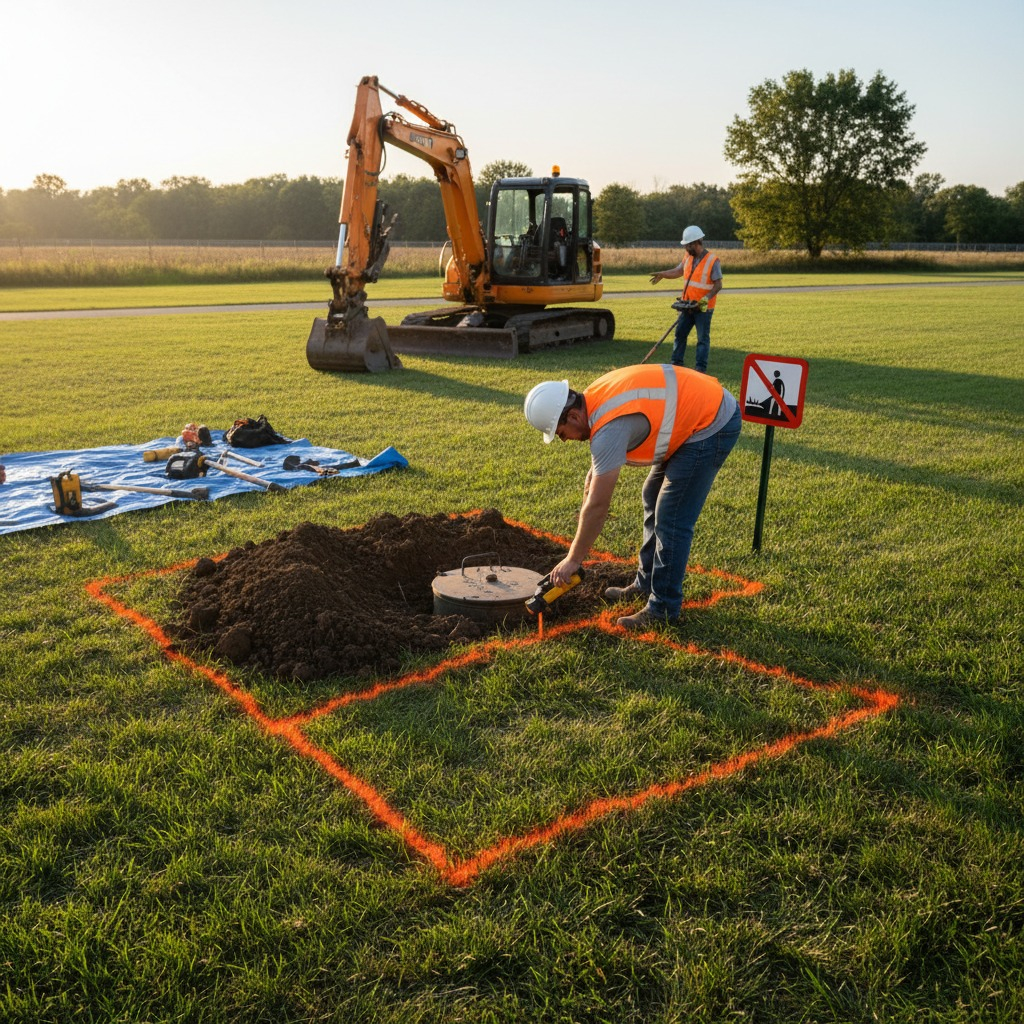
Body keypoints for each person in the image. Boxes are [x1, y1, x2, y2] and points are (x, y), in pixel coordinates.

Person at [523, 363, 741, 630]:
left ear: (574, 418)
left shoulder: (607, 431)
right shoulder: (592, 398)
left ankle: (663, 608)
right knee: (652, 494)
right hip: (694, 409)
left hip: (711, 422)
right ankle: (645, 584)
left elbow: (598, 506)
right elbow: (609, 446)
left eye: (560, 434)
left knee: (671, 515)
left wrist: (573, 560)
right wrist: (593, 474)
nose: (565, 440)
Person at [649, 225, 722, 373]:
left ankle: (700, 369)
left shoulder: (712, 260)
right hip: (686, 306)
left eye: (688, 245)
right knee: (679, 335)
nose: (686, 248)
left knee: (702, 339)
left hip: (703, 308)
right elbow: (678, 271)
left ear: (696, 242)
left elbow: (718, 284)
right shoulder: (688, 257)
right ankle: (676, 365)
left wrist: (705, 299)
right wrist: (663, 274)